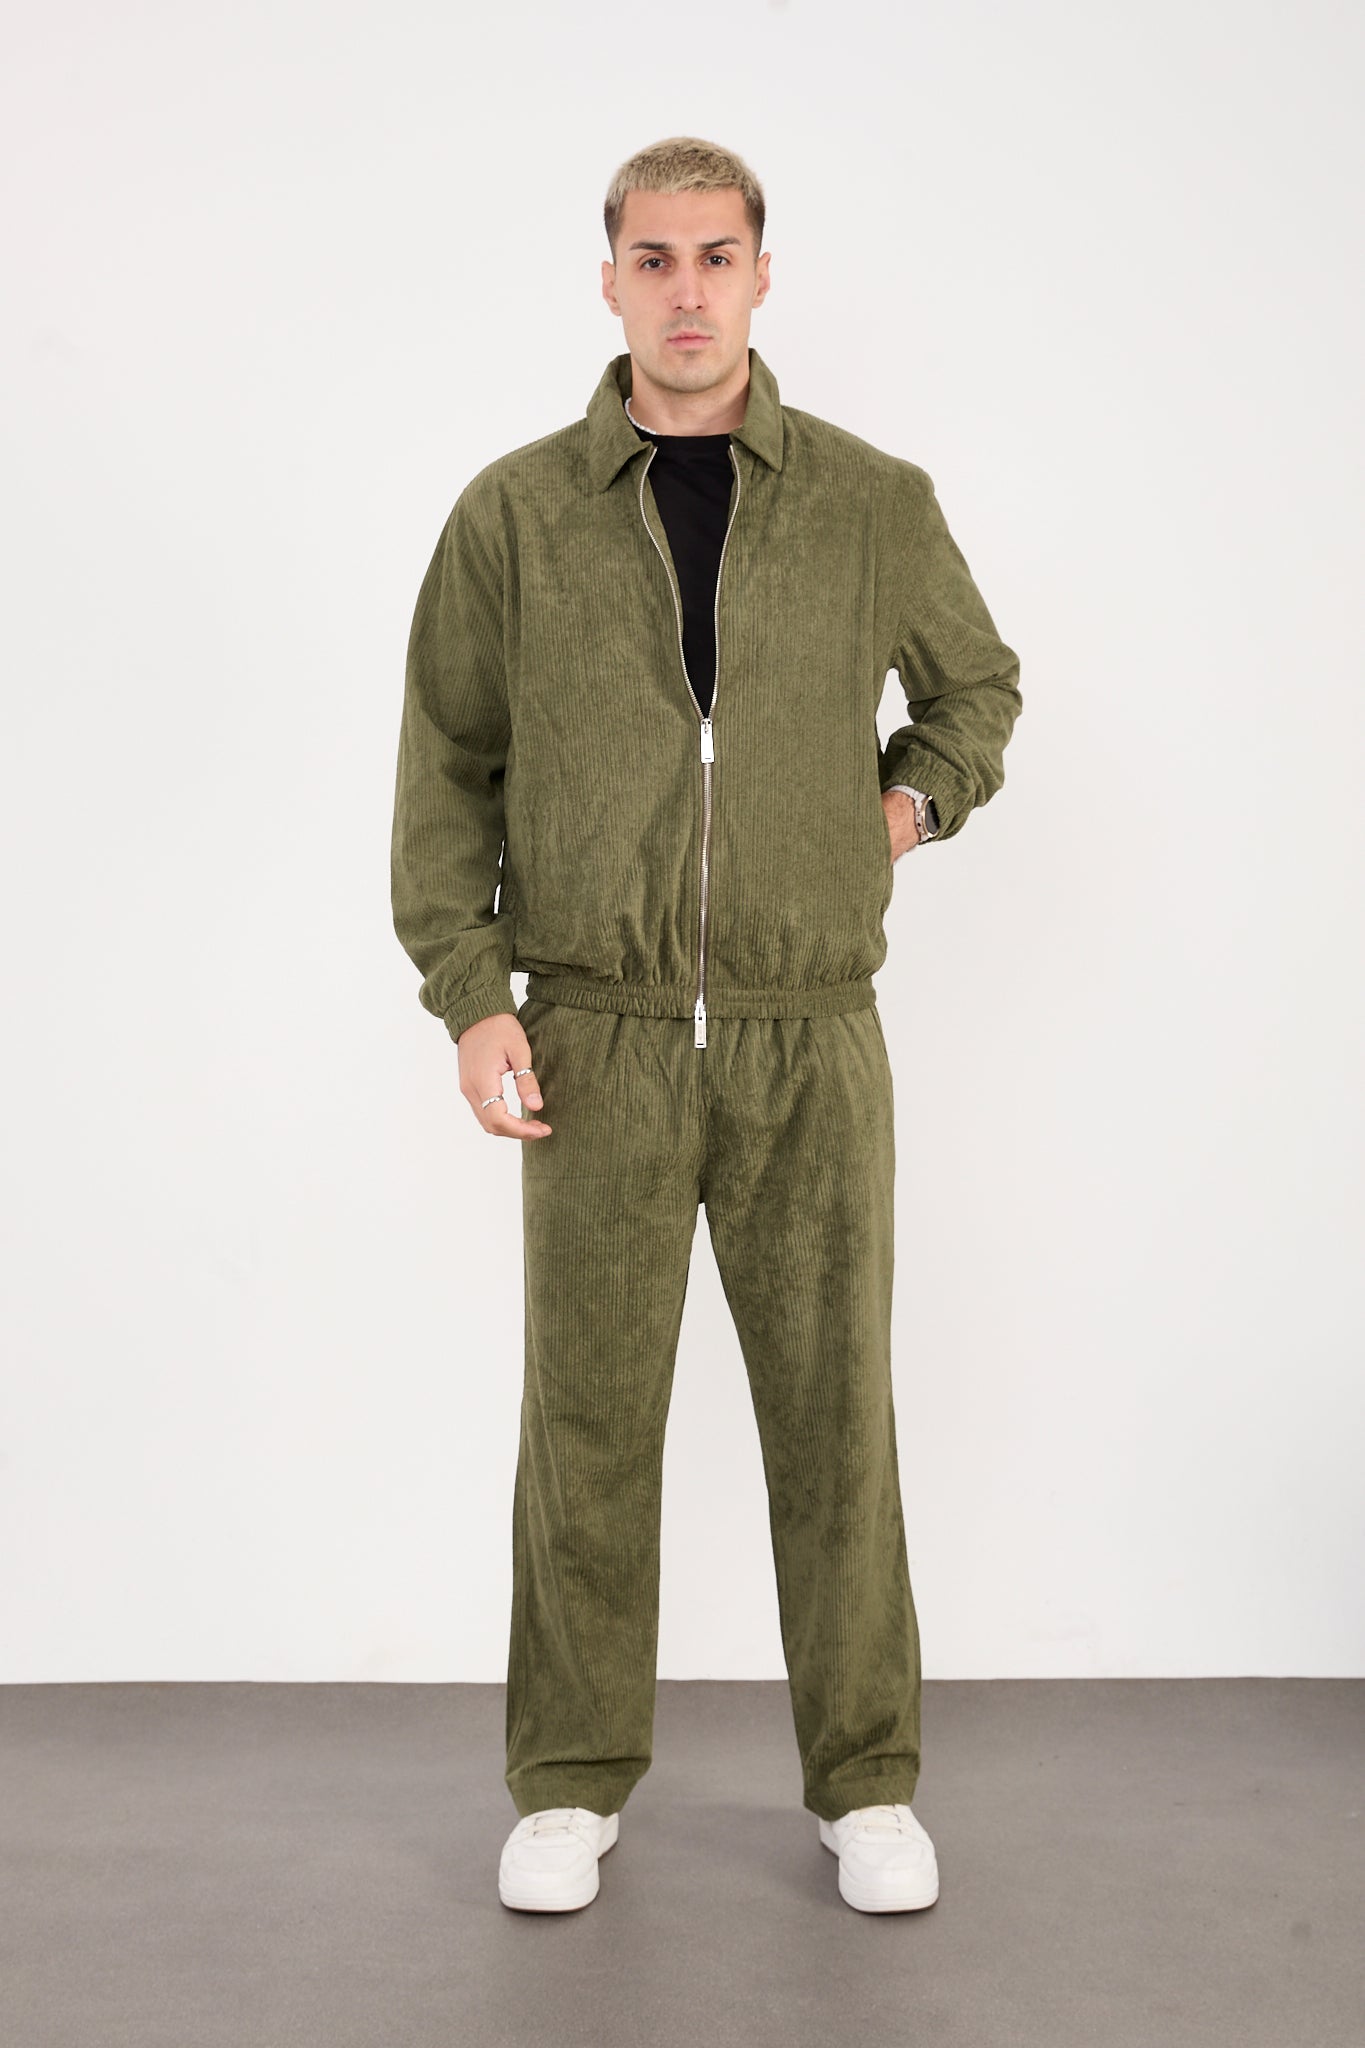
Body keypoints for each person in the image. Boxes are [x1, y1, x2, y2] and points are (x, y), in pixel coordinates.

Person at [390, 135, 1022, 1916]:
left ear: (759, 276)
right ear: (608, 281)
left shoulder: (870, 500)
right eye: (653, 259)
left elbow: (973, 689)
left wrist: (894, 810)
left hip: (806, 1032)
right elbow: (446, 768)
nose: (685, 291)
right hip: (590, 1033)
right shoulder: (515, 514)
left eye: (715, 257)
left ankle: (866, 1785)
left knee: (835, 1419)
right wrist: (470, 996)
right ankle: (568, 1782)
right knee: (585, 1423)